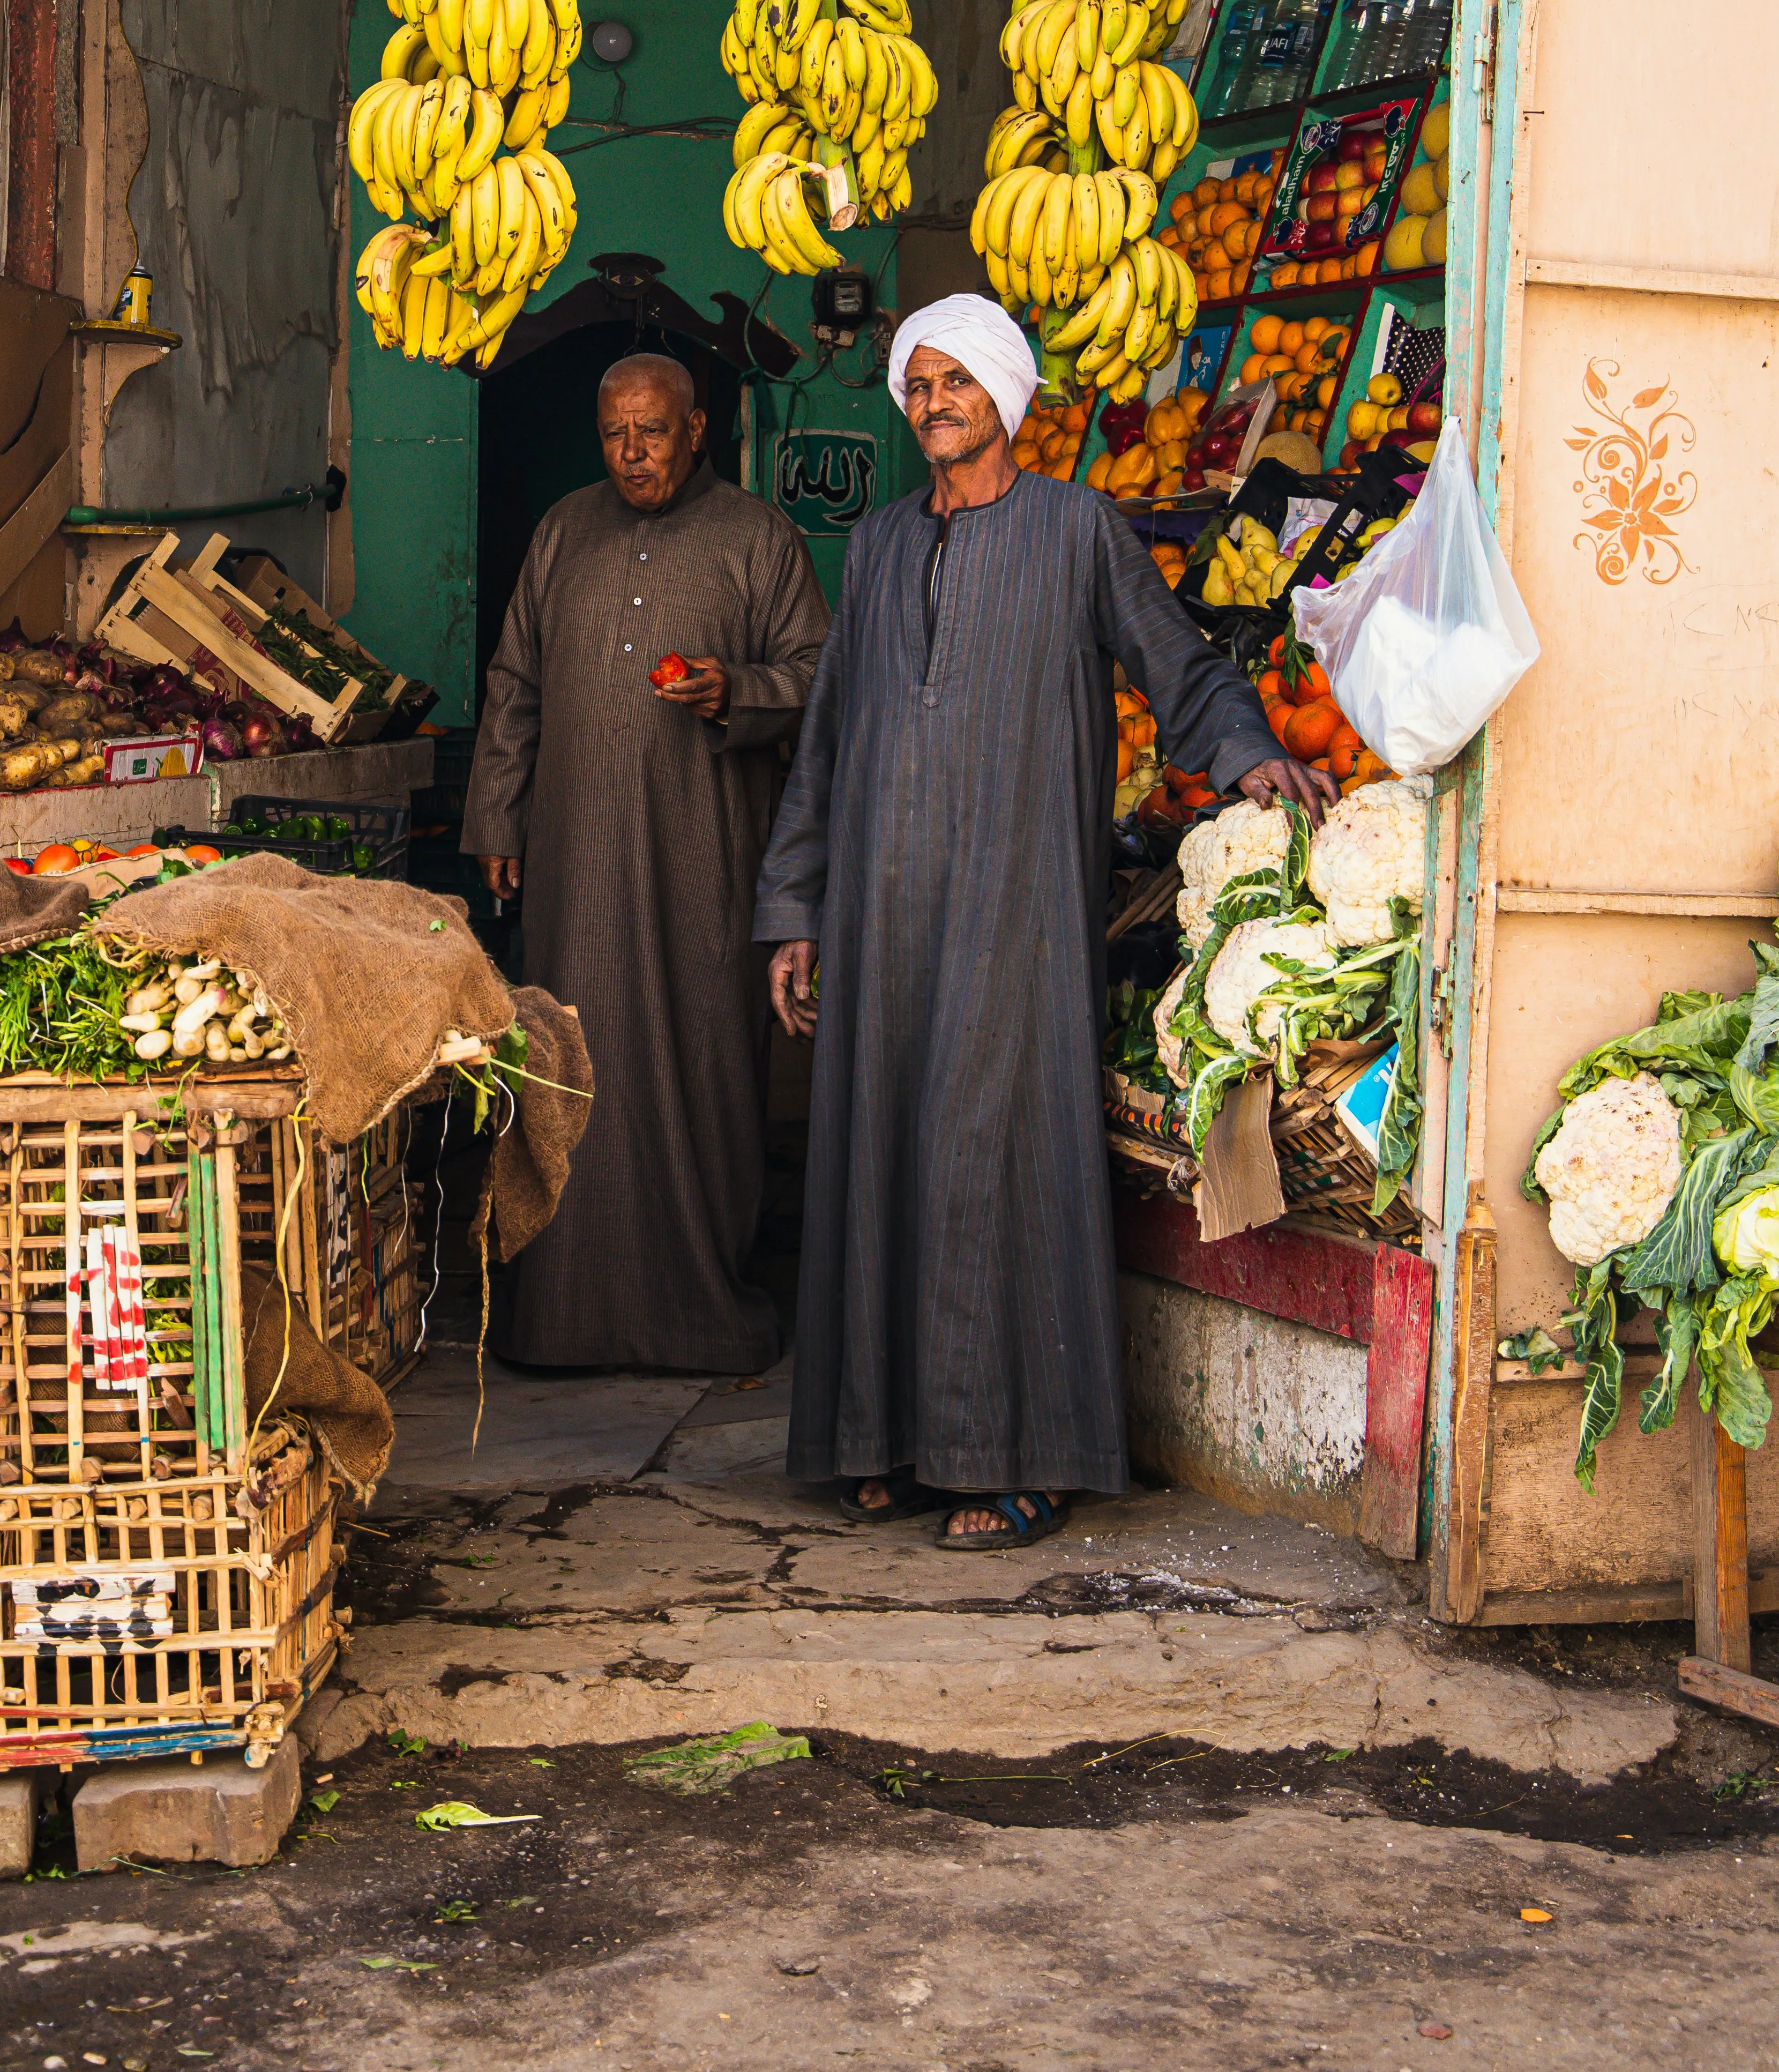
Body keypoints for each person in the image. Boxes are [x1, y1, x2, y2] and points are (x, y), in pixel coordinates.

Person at [753, 293, 1334, 1551]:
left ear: (1008, 396)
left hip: (1013, 904)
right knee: (879, 1157)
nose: (932, 403)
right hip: (880, 907)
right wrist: (797, 906)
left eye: (957, 382)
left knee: (990, 1161)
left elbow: (1174, 663)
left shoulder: (1079, 529)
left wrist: (1247, 755)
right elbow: (829, 736)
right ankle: (888, 1439)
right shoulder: (883, 543)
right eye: (917, 385)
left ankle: (1017, 1458)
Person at [463, 351, 829, 1373]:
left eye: (653, 432)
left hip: (704, 854)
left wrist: (735, 690)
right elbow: (516, 679)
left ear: (697, 429)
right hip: (573, 852)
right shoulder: (566, 530)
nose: (632, 453)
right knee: (564, 1055)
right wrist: (497, 815)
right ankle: (562, 1318)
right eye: (616, 433)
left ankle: (703, 1312)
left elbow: (819, 676)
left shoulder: (758, 538)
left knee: (703, 1052)